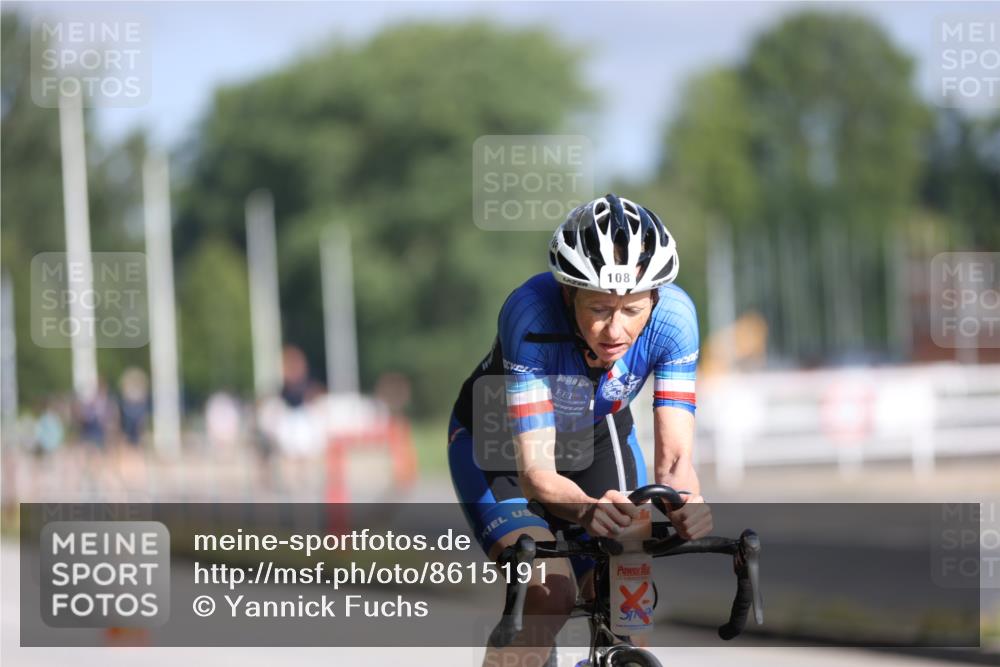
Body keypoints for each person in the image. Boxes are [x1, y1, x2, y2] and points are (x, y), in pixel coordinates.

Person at [448, 193, 714, 665]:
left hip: (595, 434)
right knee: (548, 594)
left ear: (654, 297)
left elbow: (674, 462)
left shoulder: (675, 320)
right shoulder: (530, 315)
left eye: (632, 310)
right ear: (568, 294)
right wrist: (588, 511)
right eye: (598, 309)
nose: (615, 331)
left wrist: (686, 504)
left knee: (628, 594)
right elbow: (536, 473)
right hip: (499, 443)